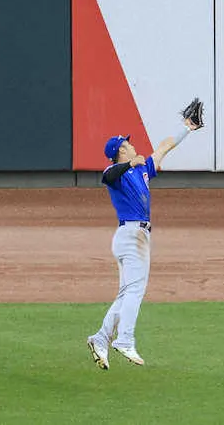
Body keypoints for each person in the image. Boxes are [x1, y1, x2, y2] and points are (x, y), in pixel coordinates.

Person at [86, 116, 201, 369]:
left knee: (126, 293)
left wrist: (186, 129)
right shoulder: (114, 172)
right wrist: (128, 165)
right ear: (120, 152)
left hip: (135, 237)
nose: (131, 145)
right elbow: (110, 174)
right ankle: (125, 340)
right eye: (126, 144)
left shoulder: (142, 168)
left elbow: (164, 147)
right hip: (131, 236)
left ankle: (101, 338)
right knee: (135, 291)